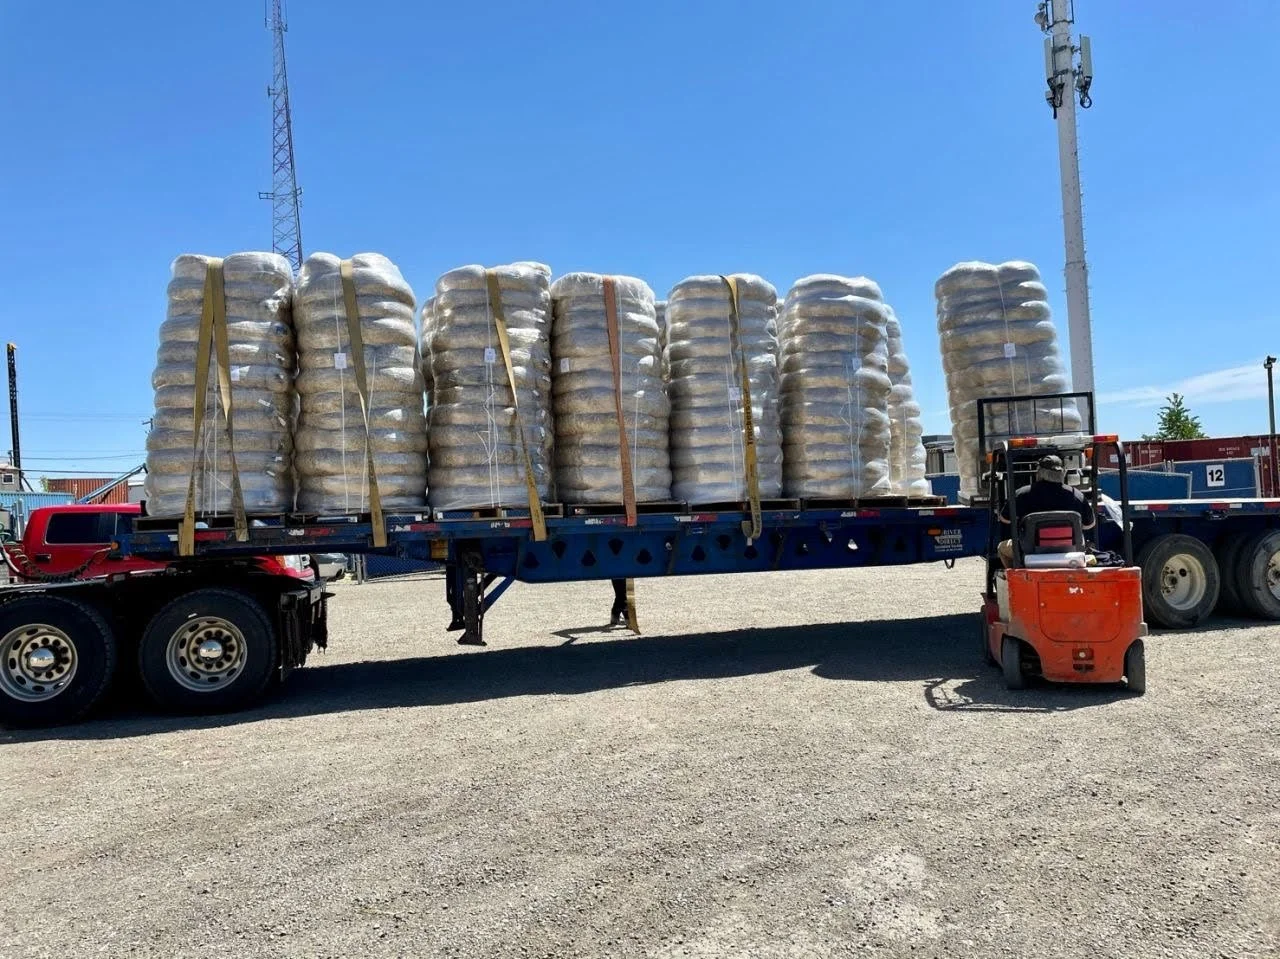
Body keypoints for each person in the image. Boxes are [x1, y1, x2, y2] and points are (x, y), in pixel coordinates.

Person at [998, 453, 1095, 567]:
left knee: (1002, 547)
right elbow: (1090, 524)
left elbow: (1005, 518)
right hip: (1070, 548)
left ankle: (1017, 575)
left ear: (1039, 472)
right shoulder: (1077, 495)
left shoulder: (1022, 493)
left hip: (1031, 549)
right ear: (1062, 473)